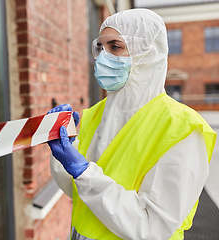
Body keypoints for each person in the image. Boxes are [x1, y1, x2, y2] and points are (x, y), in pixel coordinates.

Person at [47, 9, 217, 240]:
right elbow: (76, 191)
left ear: (148, 53)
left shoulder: (181, 127)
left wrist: (85, 172)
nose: (103, 58)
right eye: (100, 48)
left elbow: (152, 227)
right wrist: (64, 153)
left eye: (115, 47)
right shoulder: (94, 115)